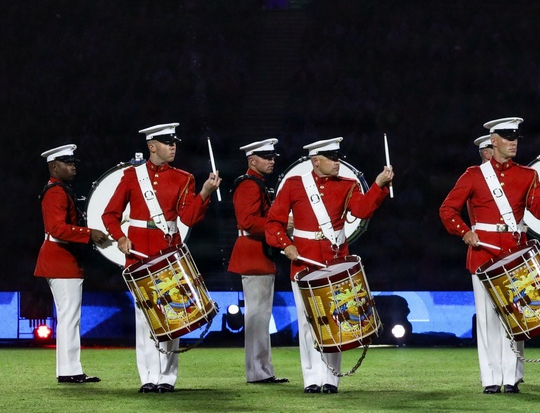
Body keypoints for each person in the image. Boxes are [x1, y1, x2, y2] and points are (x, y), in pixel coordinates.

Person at [439, 117, 540, 395]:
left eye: (515, 138)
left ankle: (511, 378)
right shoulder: (473, 175)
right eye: (508, 137)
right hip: (483, 254)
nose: (513, 142)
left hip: (515, 255)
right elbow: (447, 210)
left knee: (516, 316)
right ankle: (490, 379)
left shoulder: (527, 175)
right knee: (487, 320)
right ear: (493, 141)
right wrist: (464, 232)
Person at [265, 137, 393, 394]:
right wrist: (285, 245)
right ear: (316, 161)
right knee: (306, 322)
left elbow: (362, 209)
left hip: (336, 262)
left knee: (337, 319)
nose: (337, 163)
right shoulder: (294, 185)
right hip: (303, 262)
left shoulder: (348, 185)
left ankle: (331, 379)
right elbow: (273, 223)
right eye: (331, 159)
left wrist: (378, 185)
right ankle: (311, 378)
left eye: (337, 157)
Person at [102, 123, 221, 394]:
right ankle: (147, 376)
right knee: (144, 318)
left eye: (174, 142)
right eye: (167, 142)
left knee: (172, 314)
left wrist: (204, 193)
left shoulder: (183, 177)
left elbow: (188, 218)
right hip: (138, 254)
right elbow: (110, 214)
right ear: (152, 146)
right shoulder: (132, 177)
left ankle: (167, 377)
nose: (173, 146)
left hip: (168, 252)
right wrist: (120, 236)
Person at [35, 144, 109, 384]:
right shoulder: (56, 191)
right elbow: (57, 228)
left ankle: (69, 369)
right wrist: (88, 233)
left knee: (69, 317)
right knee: (69, 317)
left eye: (73, 162)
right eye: (67, 163)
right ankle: (69, 371)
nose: (73, 166)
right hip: (60, 257)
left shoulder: (59, 189)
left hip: (60, 256)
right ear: (54, 166)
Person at [229, 138, 288, 385]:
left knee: (260, 317)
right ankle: (257, 372)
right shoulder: (249, 185)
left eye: (273, 157)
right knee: (257, 317)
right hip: (254, 253)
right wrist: (280, 224)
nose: (272, 160)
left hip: (259, 253)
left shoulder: (258, 183)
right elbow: (248, 221)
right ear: (252, 160)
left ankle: (262, 370)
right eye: (266, 157)